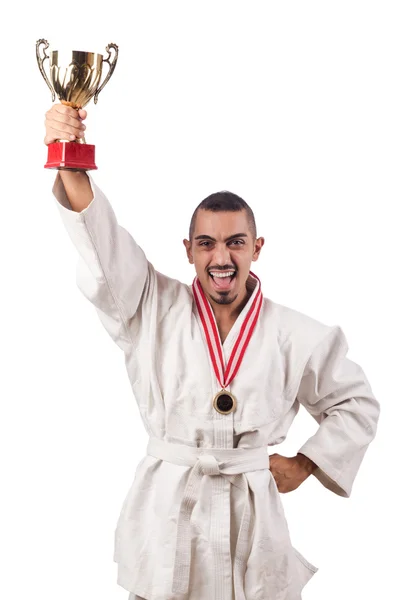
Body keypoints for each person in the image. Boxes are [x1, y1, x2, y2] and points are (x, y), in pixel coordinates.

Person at [44, 103, 380, 600]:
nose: (221, 258)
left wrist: (307, 463)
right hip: (167, 512)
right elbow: (105, 247)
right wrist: (69, 159)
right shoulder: (150, 307)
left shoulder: (297, 333)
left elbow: (357, 403)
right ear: (188, 250)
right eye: (206, 244)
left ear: (256, 247)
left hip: (252, 521)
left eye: (235, 243)